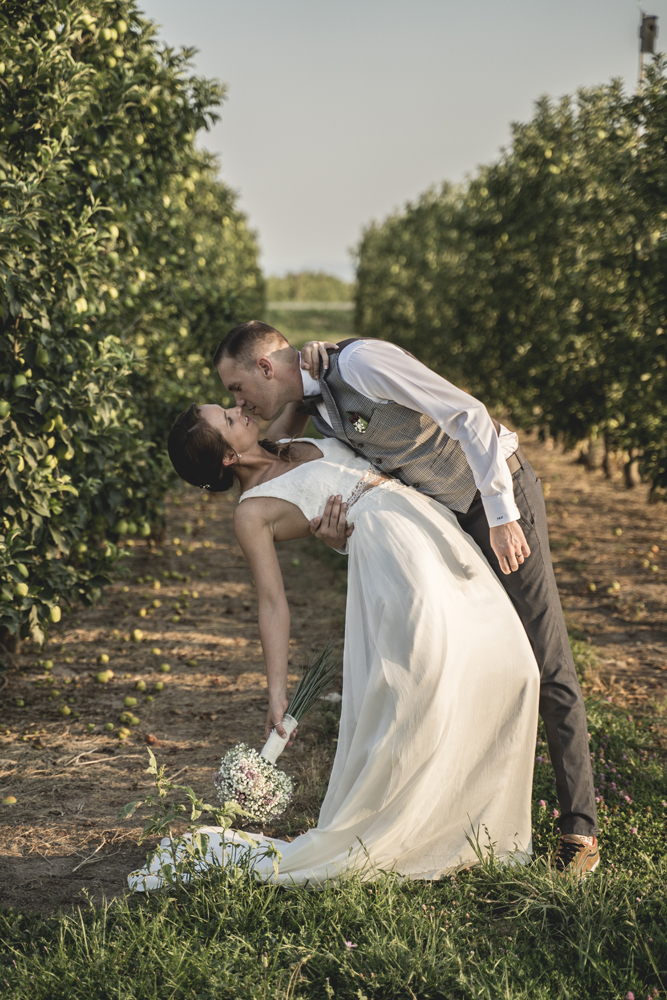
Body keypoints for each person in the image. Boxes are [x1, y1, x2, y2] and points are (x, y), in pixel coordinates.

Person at [213, 320, 600, 878]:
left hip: (496, 501)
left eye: (236, 390)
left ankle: (579, 832)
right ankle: (470, 813)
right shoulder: (317, 409)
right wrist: (335, 535)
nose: (241, 403)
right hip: (443, 521)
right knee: (477, 658)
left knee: (546, 659)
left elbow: (468, 415)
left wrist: (501, 515)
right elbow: (345, 476)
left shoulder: (361, 364)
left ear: (264, 367)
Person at [149, 399, 540, 887]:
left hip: (427, 522)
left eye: (230, 404)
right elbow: (272, 602)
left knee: (513, 661)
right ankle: (426, 823)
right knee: (428, 678)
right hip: (393, 559)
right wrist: (276, 691)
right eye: (228, 419)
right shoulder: (252, 513)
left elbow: (291, 384)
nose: (239, 410)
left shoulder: (283, 437)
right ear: (227, 458)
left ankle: (474, 811)